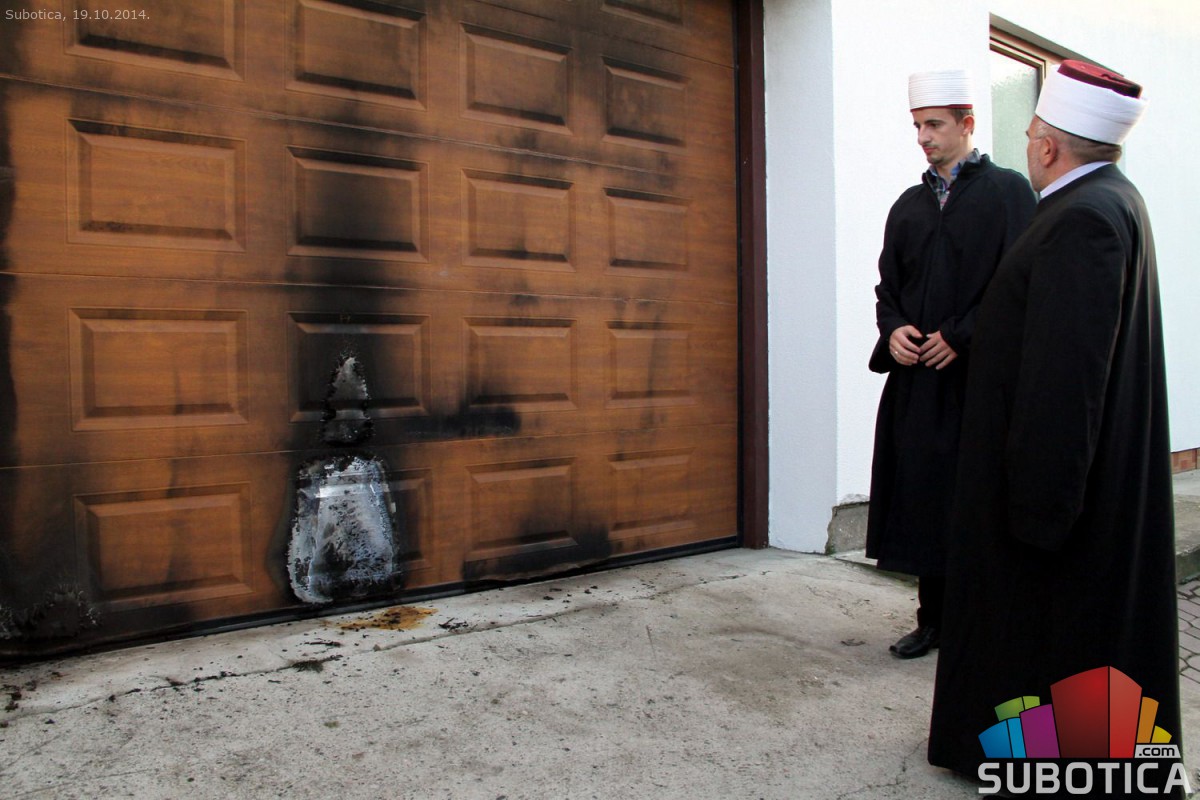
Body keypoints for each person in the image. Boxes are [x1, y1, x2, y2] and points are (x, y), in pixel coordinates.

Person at [928, 62, 1183, 797]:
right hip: (1080, 481)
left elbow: (1064, 382)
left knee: (1046, 636)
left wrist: (1038, 508)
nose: (1028, 144)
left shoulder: (1082, 219)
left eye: (1032, 133)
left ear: (1047, 147)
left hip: (1054, 493)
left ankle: (1048, 764)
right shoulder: (1112, 199)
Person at [866, 70, 1036, 659]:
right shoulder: (908, 206)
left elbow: (1020, 283)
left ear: (968, 123)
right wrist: (894, 330)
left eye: (934, 124)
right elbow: (888, 288)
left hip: (977, 385)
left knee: (976, 503)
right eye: (917, 125)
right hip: (918, 384)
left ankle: (985, 623)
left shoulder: (1009, 194)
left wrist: (962, 335)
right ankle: (933, 620)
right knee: (923, 500)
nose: (923, 137)